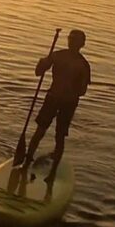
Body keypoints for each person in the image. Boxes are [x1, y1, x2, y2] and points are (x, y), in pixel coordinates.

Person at [23, 29, 90, 180]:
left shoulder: (79, 64)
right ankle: (29, 162)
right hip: (56, 99)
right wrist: (43, 63)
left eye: (75, 40)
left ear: (81, 44)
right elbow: (39, 72)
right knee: (47, 133)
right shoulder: (63, 58)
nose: (73, 43)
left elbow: (82, 90)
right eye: (72, 40)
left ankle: (45, 170)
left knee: (54, 135)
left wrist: (44, 64)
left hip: (65, 102)